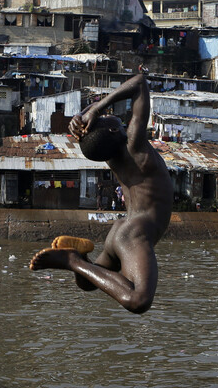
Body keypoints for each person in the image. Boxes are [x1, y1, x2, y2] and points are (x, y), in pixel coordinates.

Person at [29, 74, 173, 314]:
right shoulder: (134, 146)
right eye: (108, 116)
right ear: (113, 128)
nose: (109, 115)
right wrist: (97, 108)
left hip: (120, 231)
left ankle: (79, 258)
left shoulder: (111, 153)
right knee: (139, 300)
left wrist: (85, 115)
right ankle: (72, 260)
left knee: (87, 282)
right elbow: (139, 83)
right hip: (135, 232)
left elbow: (97, 134)